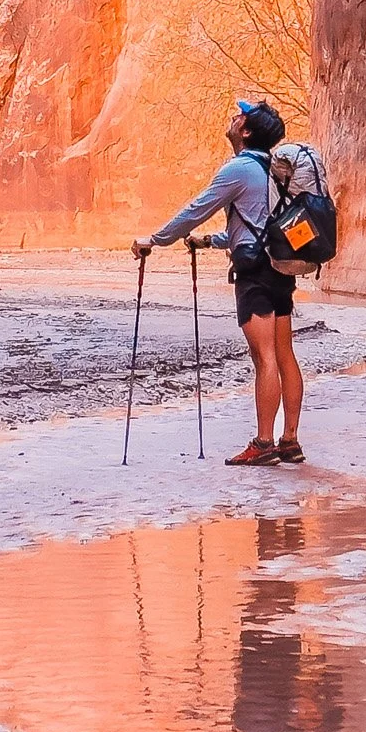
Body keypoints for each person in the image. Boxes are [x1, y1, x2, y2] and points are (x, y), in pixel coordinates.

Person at [134, 99, 306, 467]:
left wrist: (156, 239)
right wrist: (212, 241)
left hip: (254, 274)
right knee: (285, 354)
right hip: (280, 268)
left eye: (238, 116)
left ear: (245, 131)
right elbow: (261, 224)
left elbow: (197, 209)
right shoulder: (276, 171)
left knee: (265, 359)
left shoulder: (239, 169)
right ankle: (289, 439)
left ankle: (263, 445)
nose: (232, 118)